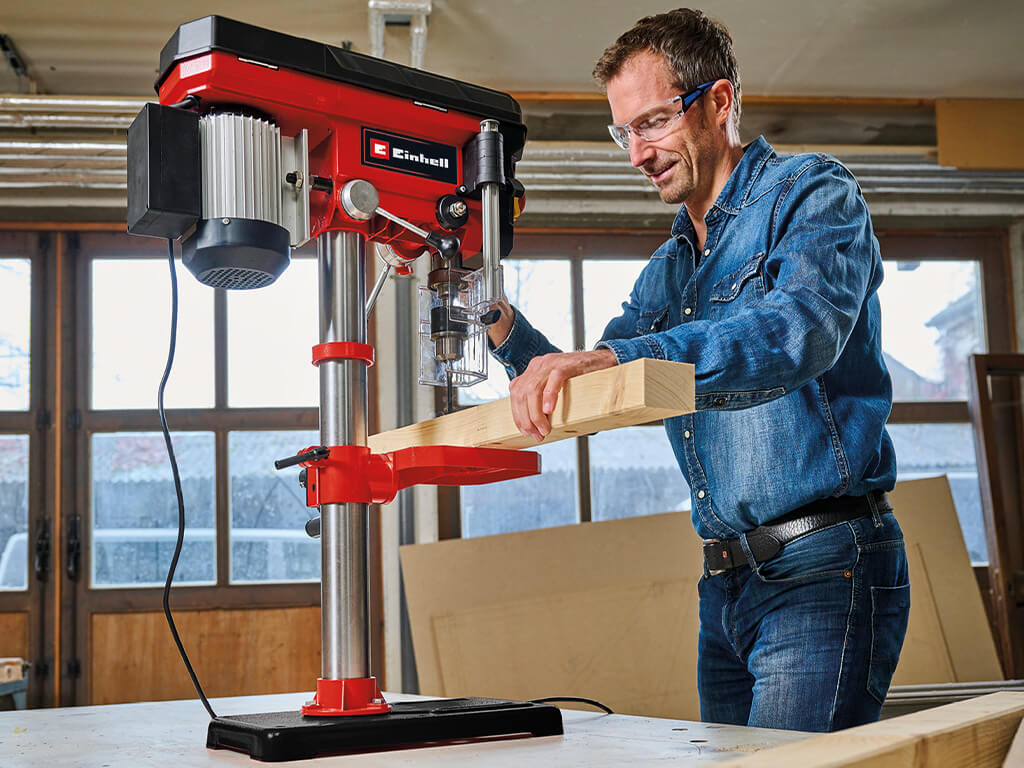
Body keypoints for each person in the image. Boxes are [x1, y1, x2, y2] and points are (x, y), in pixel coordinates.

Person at [485, 8, 910, 732]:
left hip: (824, 567)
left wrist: (628, 353)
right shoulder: (671, 265)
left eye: (651, 122)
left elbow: (794, 335)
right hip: (727, 584)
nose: (636, 154)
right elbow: (593, 381)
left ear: (718, 102)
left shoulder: (812, 195)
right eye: (624, 132)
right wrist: (490, 316)